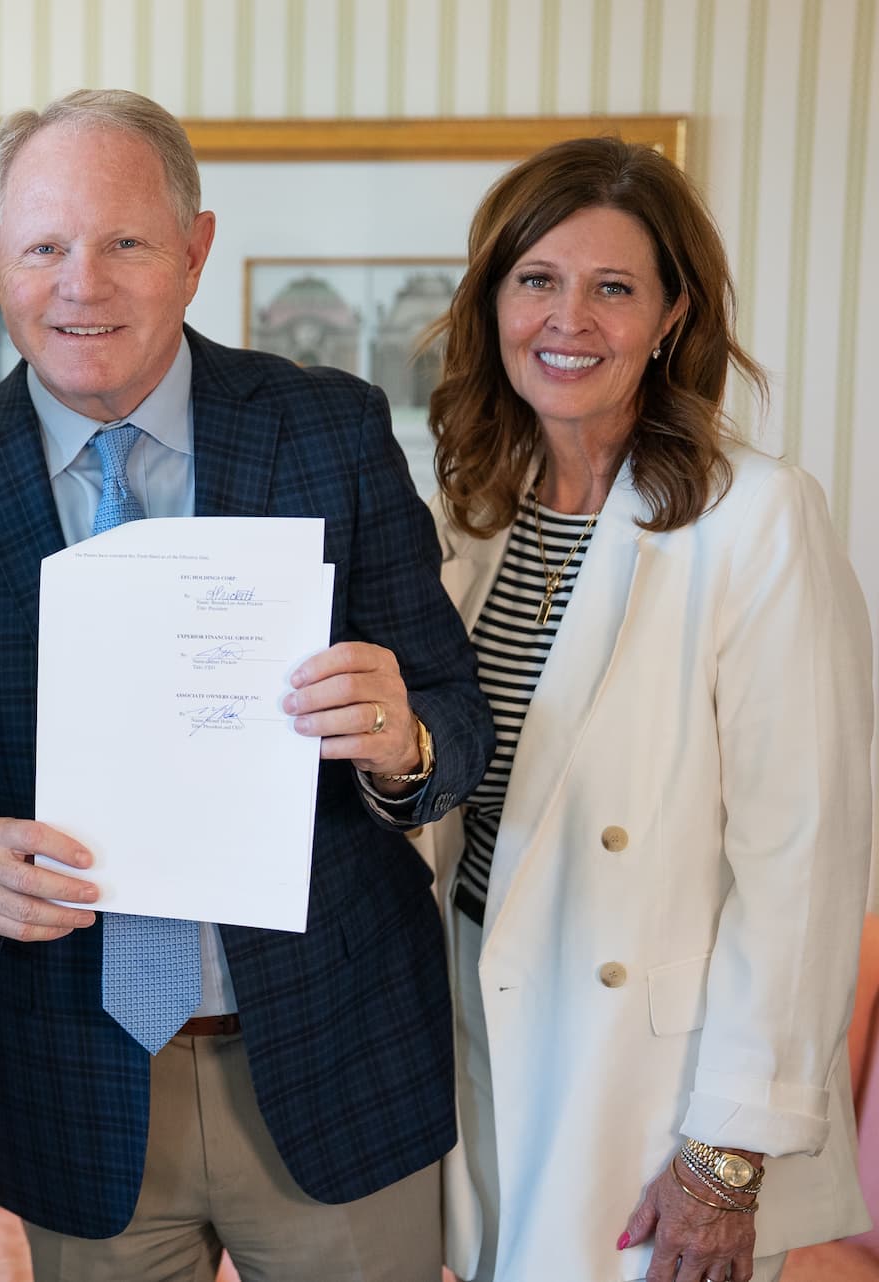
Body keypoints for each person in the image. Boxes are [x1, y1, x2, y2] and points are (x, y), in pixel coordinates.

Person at [0, 89, 492, 1282]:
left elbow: (457, 710)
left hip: (334, 1057)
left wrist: (404, 741)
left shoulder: (329, 431)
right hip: (73, 1081)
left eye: (127, 241)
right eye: (44, 246)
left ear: (195, 250)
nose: (82, 282)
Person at [414, 135, 873, 1282]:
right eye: (537, 281)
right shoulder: (469, 509)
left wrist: (727, 1154)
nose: (568, 319)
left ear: (671, 315)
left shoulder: (758, 517)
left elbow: (803, 858)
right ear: (493, 304)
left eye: (613, 287)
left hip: (649, 1080)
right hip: (473, 1017)